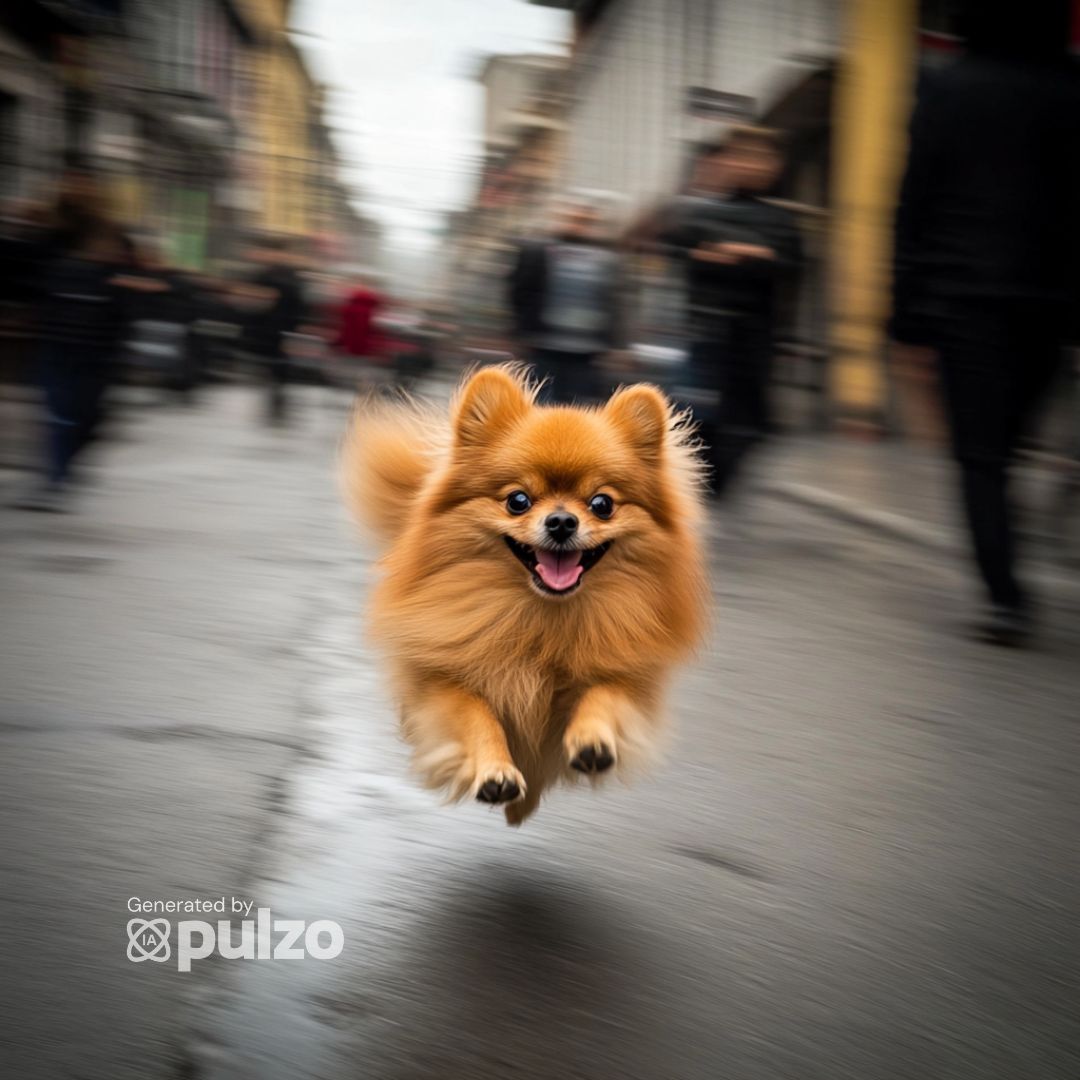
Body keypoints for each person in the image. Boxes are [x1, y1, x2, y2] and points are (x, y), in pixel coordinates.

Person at [890, 0, 1080, 645]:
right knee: (1013, 444)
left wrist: (905, 315)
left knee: (980, 457)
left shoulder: (947, 85)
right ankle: (1012, 520)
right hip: (1050, 300)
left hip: (964, 299)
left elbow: (914, 201)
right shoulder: (1070, 87)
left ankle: (1006, 599)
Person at [664, 127, 800, 500]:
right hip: (708, 330)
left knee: (755, 423)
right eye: (741, 156)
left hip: (757, 335)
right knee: (700, 416)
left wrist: (738, 254)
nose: (751, 165)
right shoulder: (702, 212)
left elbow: (789, 263)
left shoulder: (781, 222)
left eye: (761, 157)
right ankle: (699, 483)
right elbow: (682, 251)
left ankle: (712, 483)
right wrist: (750, 255)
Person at [507, 196, 624, 403]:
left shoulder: (605, 261)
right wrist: (522, 330)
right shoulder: (540, 251)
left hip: (586, 353)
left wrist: (614, 344)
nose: (578, 226)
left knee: (579, 408)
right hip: (544, 346)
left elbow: (614, 302)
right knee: (541, 403)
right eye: (573, 219)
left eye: (584, 221)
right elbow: (519, 290)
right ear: (561, 219)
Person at [243, 236, 306, 424]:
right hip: (267, 326)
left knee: (279, 364)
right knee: (272, 363)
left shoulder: (288, 275)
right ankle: (275, 393)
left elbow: (297, 300)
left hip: (282, 325)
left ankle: (278, 394)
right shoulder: (264, 274)